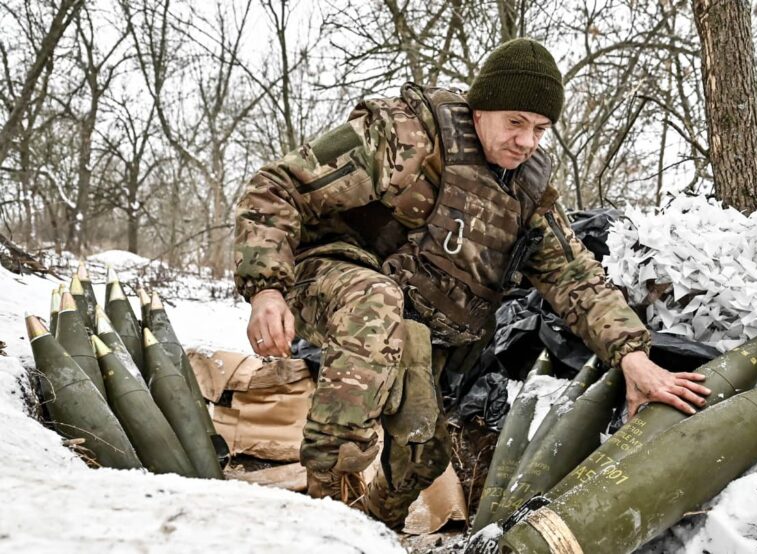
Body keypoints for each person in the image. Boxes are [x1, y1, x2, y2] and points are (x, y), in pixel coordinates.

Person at [233, 37, 710, 528]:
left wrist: (632, 355)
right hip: (331, 278)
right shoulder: (406, 136)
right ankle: (322, 516)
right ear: (480, 109)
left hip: (409, 325)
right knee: (375, 301)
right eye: (515, 122)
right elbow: (278, 186)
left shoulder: (527, 191)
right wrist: (265, 287)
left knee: (424, 452)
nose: (527, 141)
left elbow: (577, 278)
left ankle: (373, 528)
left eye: (541, 129)